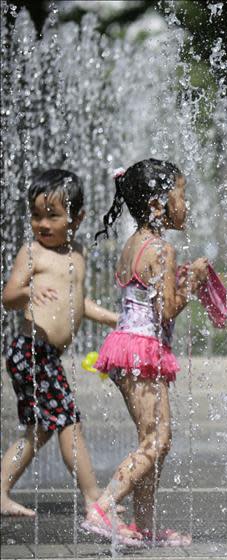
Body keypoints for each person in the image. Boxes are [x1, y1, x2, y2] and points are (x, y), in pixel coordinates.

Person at [81, 159, 209, 547]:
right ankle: (102, 508)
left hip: (127, 348)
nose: (186, 204)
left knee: (152, 440)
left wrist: (177, 282)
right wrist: (195, 282)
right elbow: (168, 310)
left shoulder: (135, 244)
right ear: (157, 205)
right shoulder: (162, 249)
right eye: (181, 195)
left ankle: (144, 524)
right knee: (157, 441)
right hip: (143, 350)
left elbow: (147, 298)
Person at [1, 170, 118, 518]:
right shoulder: (32, 253)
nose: (43, 224)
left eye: (53, 216)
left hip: (44, 355)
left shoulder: (78, 254)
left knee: (40, 431)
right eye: (36, 215)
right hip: (30, 350)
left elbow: (78, 302)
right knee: (68, 423)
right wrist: (28, 291)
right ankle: (93, 498)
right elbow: (7, 296)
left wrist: (114, 319)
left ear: (77, 218)